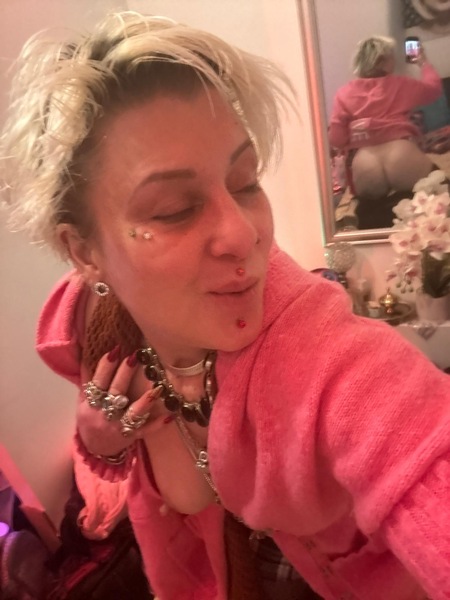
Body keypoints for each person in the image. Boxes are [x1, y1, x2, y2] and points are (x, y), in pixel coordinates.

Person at [2, 11, 450, 600]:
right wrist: (100, 444)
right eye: (174, 209)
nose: (244, 234)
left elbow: (411, 436)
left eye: (245, 181)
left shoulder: (324, 359)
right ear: (84, 252)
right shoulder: (100, 328)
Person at [328, 35, 444, 229]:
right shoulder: (401, 84)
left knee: (374, 223)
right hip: (402, 157)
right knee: (440, 194)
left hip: (365, 167)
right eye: (391, 57)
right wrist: (423, 62)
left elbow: (337, 139)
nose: (394, 61)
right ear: (382, 60)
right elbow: (434, 89)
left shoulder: (343, 93)